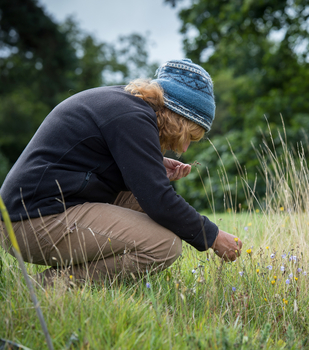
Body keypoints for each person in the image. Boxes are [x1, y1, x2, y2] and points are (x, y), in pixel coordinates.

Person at [0, 58, 242, 284]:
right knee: (164, 245)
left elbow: (92, 167)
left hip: (35, 212)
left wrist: (151, 167)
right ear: (178, 117)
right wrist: (212, 236)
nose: (185, 147)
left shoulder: (127, 106)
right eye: (188, 135)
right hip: (30, 222)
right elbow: (158, 200)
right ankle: (46, 288)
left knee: (143, 204)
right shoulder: (132, 116)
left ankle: (53, 284)